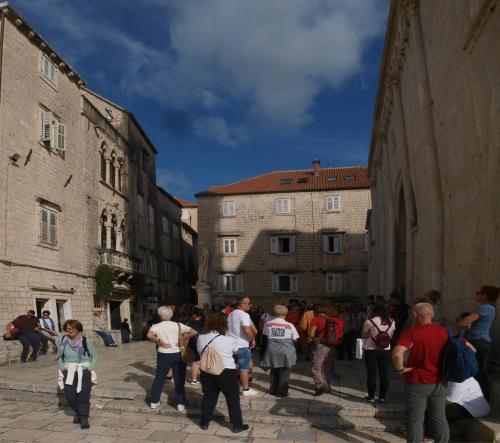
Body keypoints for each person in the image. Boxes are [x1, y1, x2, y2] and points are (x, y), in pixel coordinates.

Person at [392, 302, 449, 443]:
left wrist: (400, 370)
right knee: (439, 417)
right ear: (432, 315)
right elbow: (467, 346)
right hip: (440, 381)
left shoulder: (410, 333)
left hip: (417, 381)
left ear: (415, 315)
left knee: (415, 419)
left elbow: (397, 354)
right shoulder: (445, 331)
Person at [197, 312, 249, 433]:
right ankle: (237, 425)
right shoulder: (228, 340)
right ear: (224, 325)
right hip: (226, 371)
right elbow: (236, 351)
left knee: (209, 396)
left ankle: (204, 422)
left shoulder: (200, 337)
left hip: (207, 371)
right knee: (232, 399)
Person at [147, 306, 197, 411]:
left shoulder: (156, 326)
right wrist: (183, 338)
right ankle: (180, 403)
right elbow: (194, 332)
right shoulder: (178, 325)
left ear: (160, 315)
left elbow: (149, 335)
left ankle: (154, 402)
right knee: (179, 379)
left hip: (163, 354)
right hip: (178, 354)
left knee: (159, 378)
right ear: (171, 315)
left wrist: (159, 340)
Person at [457, 285, 499, 399]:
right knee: (475, 370)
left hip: (479, 342)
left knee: (478, 371)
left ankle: (483, 398)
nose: (476, 294)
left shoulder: (486, 308)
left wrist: (463, 322)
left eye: (478, 292)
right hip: (478, 341)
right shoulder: (485, 308)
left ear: (484, 295)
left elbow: (463, 322)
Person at [56, 319, 97, 429]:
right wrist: (62, 366)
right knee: (70, 396)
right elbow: (59, 356)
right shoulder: (62, 340)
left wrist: (90, 367)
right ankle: (78, 412)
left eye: (74, 328)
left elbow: (94, 355)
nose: (71, 330)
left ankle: (83, 418)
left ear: (79, 329)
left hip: (83, 371)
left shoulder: (85, 341)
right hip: (68, 371)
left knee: (84, 396)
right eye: (68, 328)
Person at [260, 305, 299, 397]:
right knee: (285, 371)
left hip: (272, 350)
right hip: (286, 350)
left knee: (274, 370)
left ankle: (273, 389)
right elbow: (295, 338)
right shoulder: (290, 325)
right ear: (286, 314)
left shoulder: (268, 324)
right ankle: (282, 391)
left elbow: (266, 335)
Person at [362, 303, 395, 403]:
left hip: (371, 349)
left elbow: (364, 335)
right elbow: (390, 337)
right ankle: (382, 397)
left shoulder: (369, 321)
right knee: (384, 374)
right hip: (385, 350)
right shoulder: (392, 322)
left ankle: (371, 397)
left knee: (371, 374)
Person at [308, 305, 343, 396]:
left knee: (316, 367)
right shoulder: (333, 320)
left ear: (316, 312)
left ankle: (320, 385)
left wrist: (316, 339)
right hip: (333, 346)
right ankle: (327, 386)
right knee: (327, 367)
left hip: (321, 346)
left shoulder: (316, 319)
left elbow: (311, 334)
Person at [227, 296, 257, 396]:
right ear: (242, 305)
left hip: (231, 345)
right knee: (244, 368)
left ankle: (232, 388)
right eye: (249, 303)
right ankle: (246, 389)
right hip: (242, 345)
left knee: (233, 367)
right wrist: (252, 339)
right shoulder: (244, 314)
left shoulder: (231, 314)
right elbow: (246, 330)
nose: (251, 305)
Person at [187, 308, 205, 384]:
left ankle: (194, 379)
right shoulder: (204, 323)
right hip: (203, 344)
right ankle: (199, 379)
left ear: (194, 315)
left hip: (193, 344)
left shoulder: (190, 323)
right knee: (201, 362)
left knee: (196, 362)